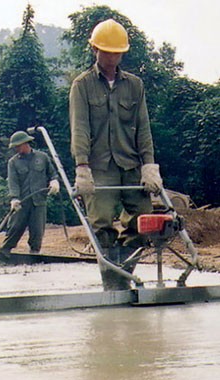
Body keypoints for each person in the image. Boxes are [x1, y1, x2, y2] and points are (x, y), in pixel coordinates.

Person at [69, 19, 163, 289]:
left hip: (130, 162)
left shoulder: (134, 85)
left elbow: (143, 128)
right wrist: (82, 166)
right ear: (95, 50)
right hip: (99, 167)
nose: (112, 57)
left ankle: (123, 272)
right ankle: (113, 286)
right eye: (107, 51)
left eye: (117, 52)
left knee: (143, 223)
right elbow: (80, 128)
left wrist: (149, 165)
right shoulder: (82, 85)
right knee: (101, 226)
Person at [0, 131, 59, 260]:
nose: (16, 149)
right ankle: (4, 253)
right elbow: (13, 182)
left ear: (25, 143)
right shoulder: (13, 162)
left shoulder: (42, 157)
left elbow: (52, 173)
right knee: (14, 228)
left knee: (37, 232)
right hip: (22, 202)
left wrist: (54, 182)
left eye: (17, 146)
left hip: (39, 201)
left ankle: (34, 255)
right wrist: (14, 198)